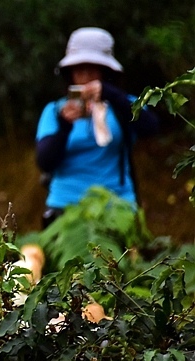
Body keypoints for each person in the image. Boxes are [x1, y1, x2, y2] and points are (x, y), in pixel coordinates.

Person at [36, 27, 159, 228]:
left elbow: (150, 127)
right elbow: (45, 161)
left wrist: (111, 95)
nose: (85, 76)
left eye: (93, 69)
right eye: (79, 69)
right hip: (65, 210)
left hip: (118, 207)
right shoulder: (54, 111)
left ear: (106, 72)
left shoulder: (123, 105)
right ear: (70, 74)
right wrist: (65, 126)